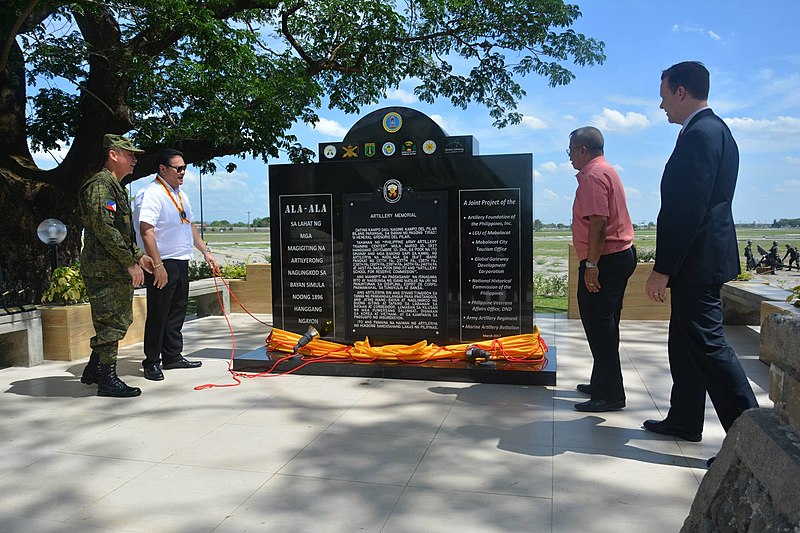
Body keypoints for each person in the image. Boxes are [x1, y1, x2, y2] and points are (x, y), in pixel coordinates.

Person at [644, 61, 758, 461]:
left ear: (681, 92)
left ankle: (751, 440)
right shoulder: (713, 131)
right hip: (702, 258)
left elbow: (688, 207)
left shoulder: (702, 134)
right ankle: (685, 418)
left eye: (663, 96)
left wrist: (663, 267)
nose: (661, 106)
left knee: (709, 345)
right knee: (685, 341)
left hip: (697, 261)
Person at [79, 134, 154, 397]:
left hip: (112, 266)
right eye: (129, 154)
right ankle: (107, 380)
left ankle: (93, 370)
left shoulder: (115, 186)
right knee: (111, 323)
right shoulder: (101, 185)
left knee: (116, 320)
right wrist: (129, 263)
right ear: (113, 155)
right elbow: (105, 230)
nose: (134, 159)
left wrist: (137, 256)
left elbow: (121, 232)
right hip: (104, 269)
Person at [133, 148, 218, 381]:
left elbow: (189, 225)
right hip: (162, 261)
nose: (183, 173)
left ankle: (172, 355)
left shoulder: (180, 194)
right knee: (159, 312)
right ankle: (152, 361)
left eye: (184, 168)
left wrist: (205, 251)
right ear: (162, 169)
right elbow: (146, 230)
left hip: (181, 260)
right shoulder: (151, 193)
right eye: (178, 168)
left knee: (177, 310)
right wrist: (158, 265)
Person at [568, 126, 636, 412]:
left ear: (583, 149)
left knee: (599, 325)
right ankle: (601, 382)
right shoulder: (605, 170)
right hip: (618, 255)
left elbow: (598, 223)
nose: (570, 157)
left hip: (605, 259)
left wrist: (592, 265)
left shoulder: (593, 176)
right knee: (606, 324)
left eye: (570, 150)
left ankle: (610, 394)